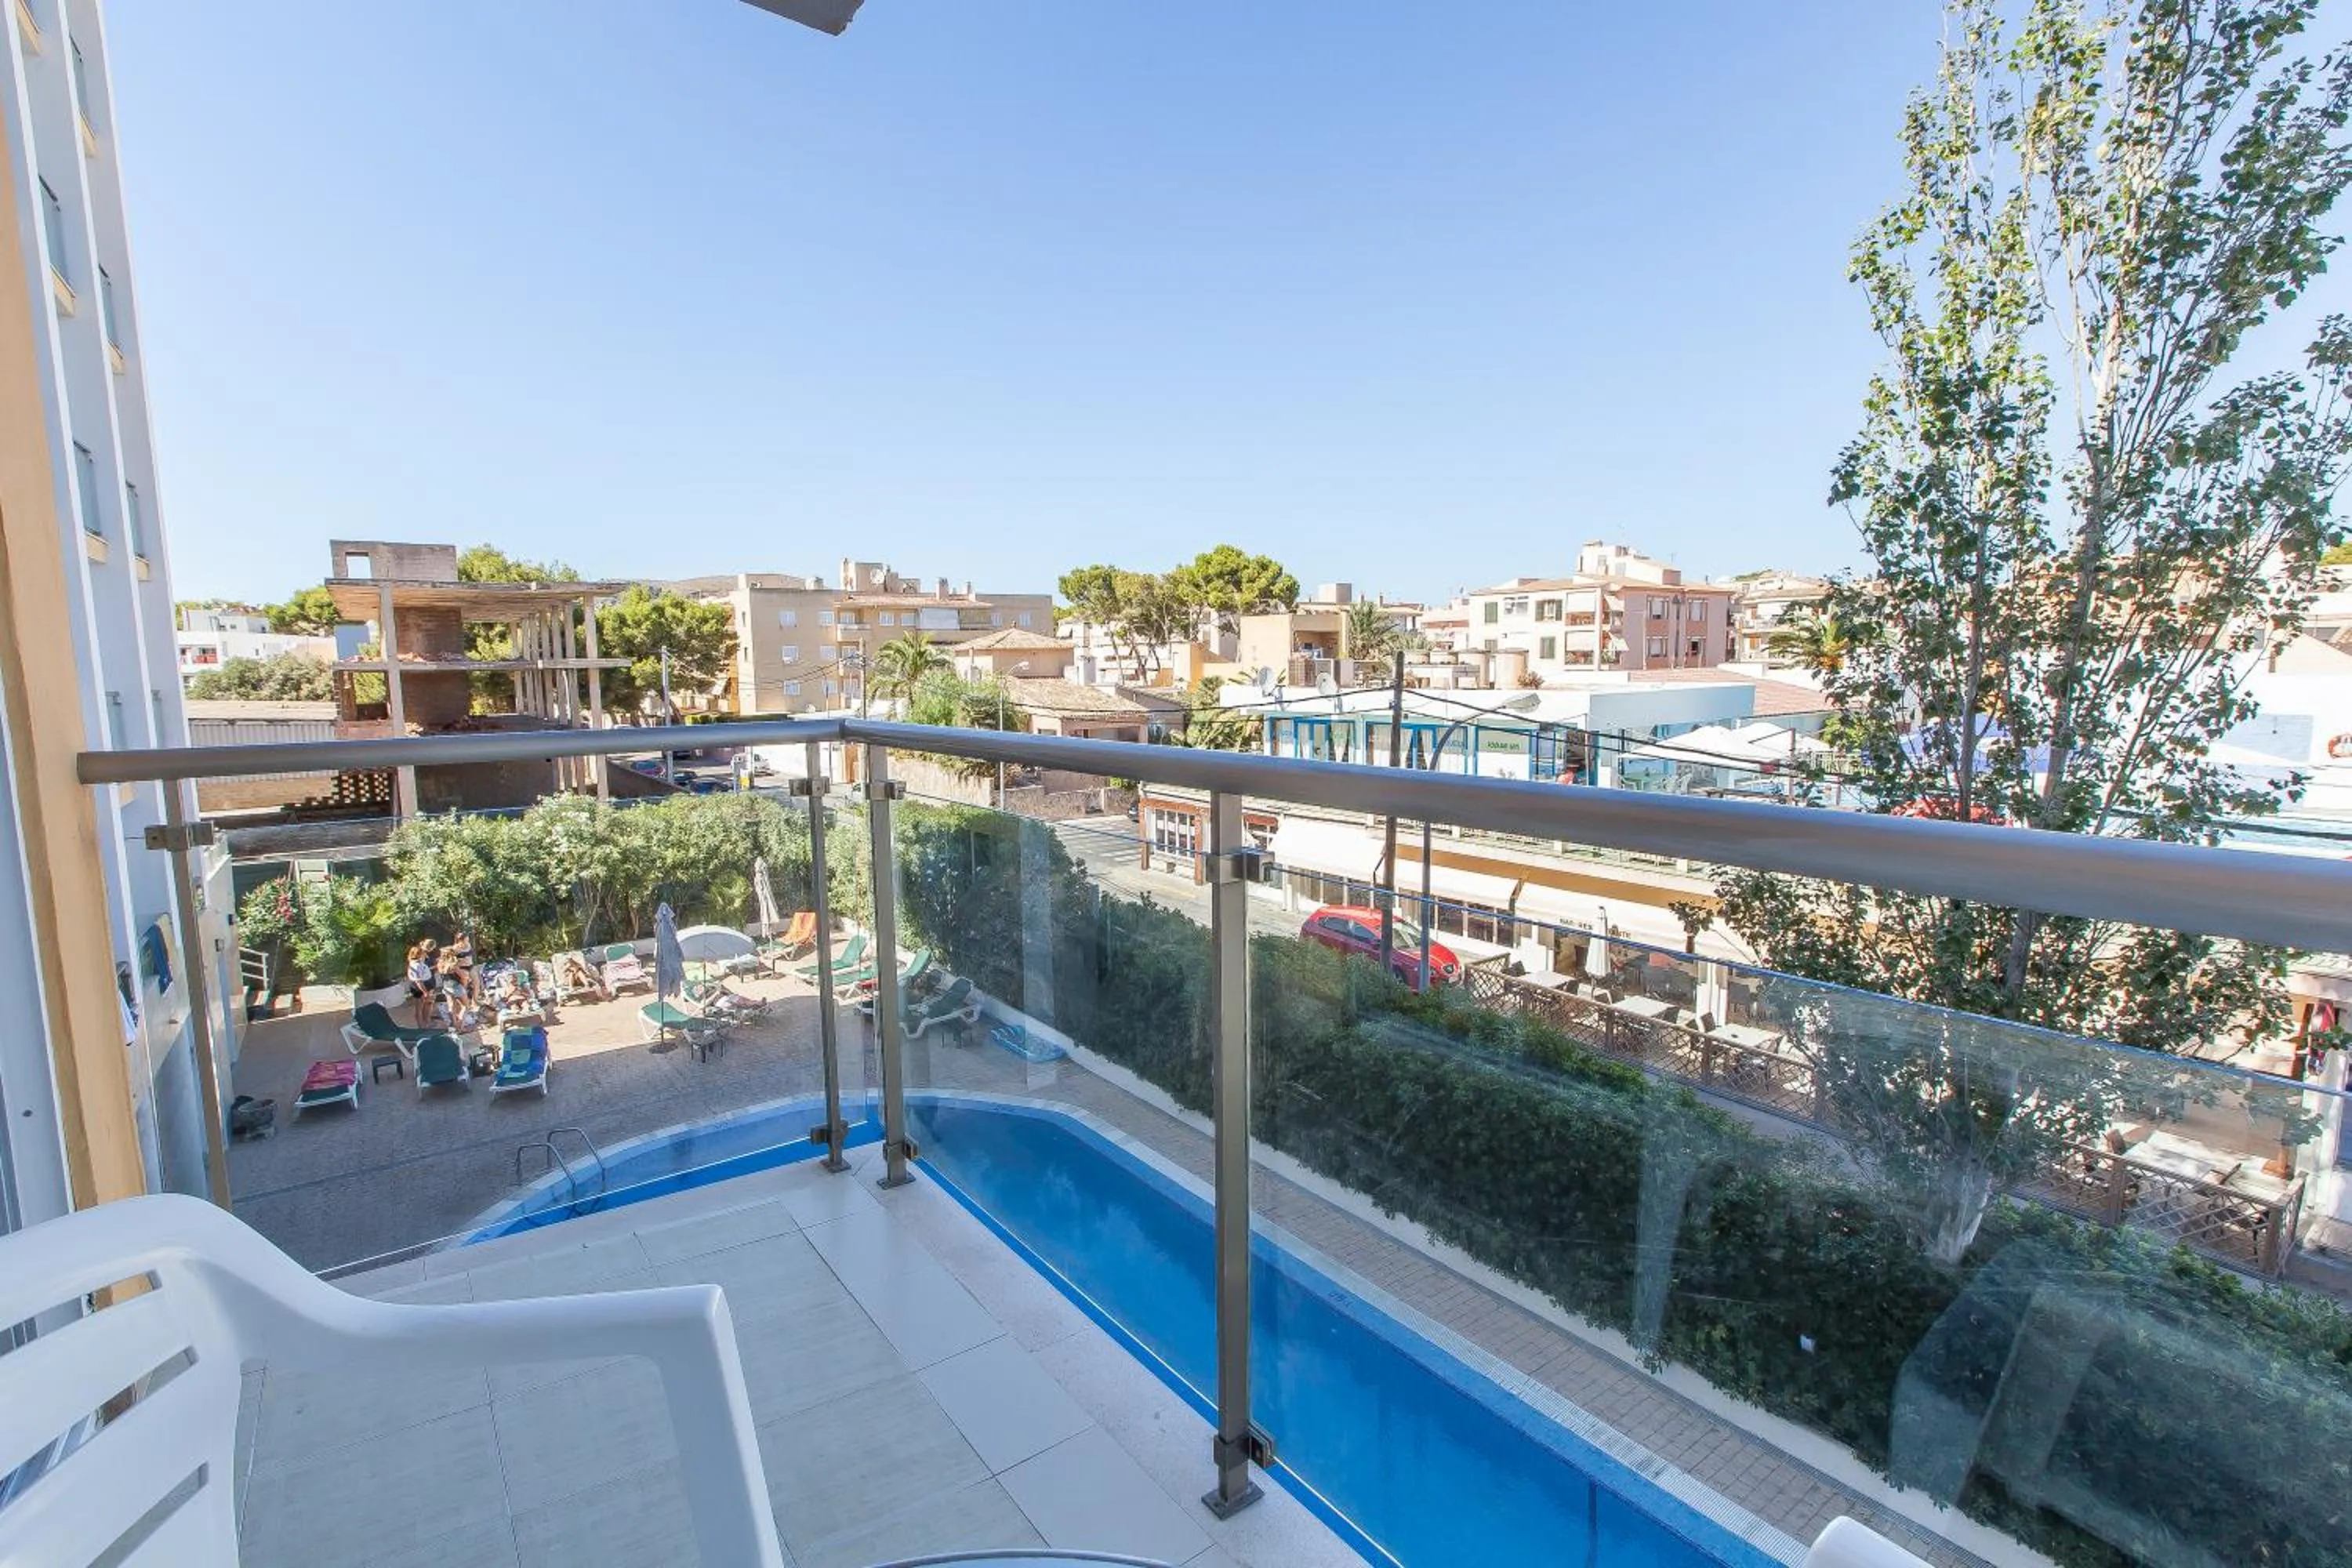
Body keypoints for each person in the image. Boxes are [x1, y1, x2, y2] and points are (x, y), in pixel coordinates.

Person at [404, 943, 435, 1028]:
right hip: (420, 989)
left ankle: (426, 1023)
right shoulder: (415, 965)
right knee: (419, 1007)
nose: (424, 954)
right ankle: (421, 1026)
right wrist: (425, 992)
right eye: (422, 953)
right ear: (418, 954)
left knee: (427, 1004)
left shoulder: (418, 962)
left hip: (426, 986)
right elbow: (418, 982)